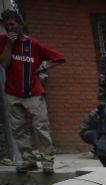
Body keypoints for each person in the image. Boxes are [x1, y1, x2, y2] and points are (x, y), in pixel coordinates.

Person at [0, 9, 65, 174]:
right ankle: (28, 160)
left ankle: (47, 161)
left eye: (13, 24)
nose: (10, 28)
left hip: (34, 93)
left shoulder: (33, 44)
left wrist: (42, 66)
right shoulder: (2, 41)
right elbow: (4, 64)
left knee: (41, 127)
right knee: (19, 129)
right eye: (7, 25)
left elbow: (59, 58)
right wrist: (9, 44)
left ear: (19, 24)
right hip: (12, 93)